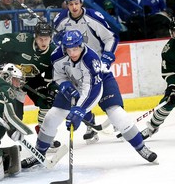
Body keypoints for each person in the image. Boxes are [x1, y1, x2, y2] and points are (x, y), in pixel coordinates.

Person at [21, 30, 158, 169]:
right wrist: (64, 84)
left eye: (75, 49)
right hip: (73, 83)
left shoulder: (91, 59)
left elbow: (92, 91)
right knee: (51, 116)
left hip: (101, 82)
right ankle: (39, 154)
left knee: (117, 114)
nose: (73, 53)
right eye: (69, 49)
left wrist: (79, 111)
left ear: (81, 45)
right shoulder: (57, 56)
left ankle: (141, 148)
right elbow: (58, 75)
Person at [52, 0, 119, 144]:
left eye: (76, 3)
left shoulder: (93, 17)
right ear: (66, 4)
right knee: (78, 98)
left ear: (81, 2)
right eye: (70, 4)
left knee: (106, 92)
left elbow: (111, 38)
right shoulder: (60, 19)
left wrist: (107, 58)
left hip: (94, 63)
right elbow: (54, 42)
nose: (74, 7)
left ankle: (118, 123)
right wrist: (57, 39)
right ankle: (90, 126)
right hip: (73, 65)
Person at [0, 22, 59, 147]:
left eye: (46, 39)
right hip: (14, 81)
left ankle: (43, 138)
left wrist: (52, 90)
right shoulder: (22, 41)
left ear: (51, 38)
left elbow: (53, 76)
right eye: (40, 39)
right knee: (16, 116)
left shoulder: (53, 53)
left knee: (47, 103)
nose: (43, 42)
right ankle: (15, 143)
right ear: (35, 36)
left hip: (33, 80)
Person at [140, 17, 175, 140]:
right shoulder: (169, 50)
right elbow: (170, 73)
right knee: (168, 101)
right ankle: (152, 127)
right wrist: (172, 87)